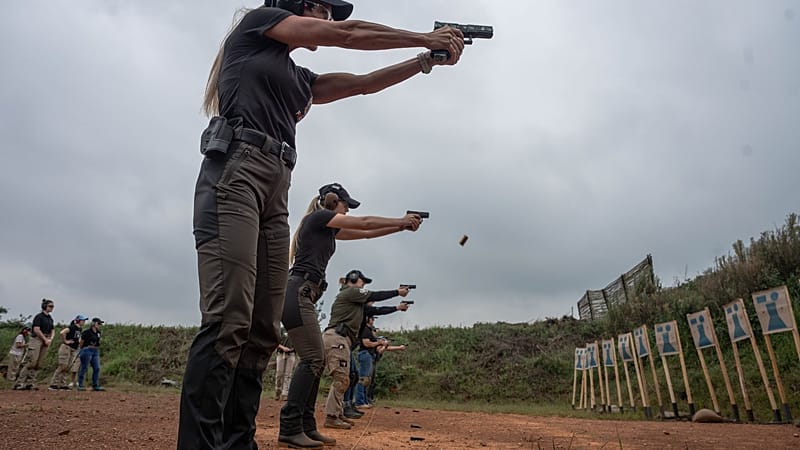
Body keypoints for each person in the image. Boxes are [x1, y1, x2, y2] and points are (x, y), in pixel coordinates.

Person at [178, 0, 462, 448]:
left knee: (263, 329)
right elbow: (350, 37)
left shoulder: (297, 78)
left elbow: (364, 84)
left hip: (277, 184)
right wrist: (424, 36)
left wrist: (424, 60)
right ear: (295, 5)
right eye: (323, 10)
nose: (330, 21)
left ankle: (238, 442)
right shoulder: (256, 27)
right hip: (236, 171)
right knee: (229, 318)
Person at [322, 271, 410, 429]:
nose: (364, 285)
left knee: (347, 378)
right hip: (337, 338)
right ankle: (331, 416)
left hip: (341, 340)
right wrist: (397, 292)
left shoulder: (355, 302)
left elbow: (376, 310)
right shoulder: (351, 291)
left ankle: (338, 412)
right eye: (363, 282)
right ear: (354, 279)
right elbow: (374, 295)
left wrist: (397, 307)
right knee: (341, 379)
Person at [14, 299, 55, 390]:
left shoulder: (50, 318)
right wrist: (44, 339)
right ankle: (19, 383)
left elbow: (53, 330)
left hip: (46, 340)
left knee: (38, 364)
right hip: (37, 339)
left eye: (52, 306)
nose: (52, 308)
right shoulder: (39, 317)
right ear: (44, 306)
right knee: (31, 361)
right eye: (50, 306)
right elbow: (36, 329)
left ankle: (30, 383)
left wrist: (50, 339)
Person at [50, 314, 88, 390]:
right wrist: (65, 341)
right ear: (78, 321)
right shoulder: (72, 327)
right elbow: (62, 332)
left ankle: (63, 383)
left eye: (84, 321)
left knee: (68, 366)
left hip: (73, 349)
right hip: (66, 348)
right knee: (63, 365)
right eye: (82, 320)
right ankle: (54, 383)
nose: (84, 322)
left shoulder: (80, 329)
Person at [77, 318, 105, 392]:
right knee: (84, 367)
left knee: (97, 368)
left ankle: (95, 385)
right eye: (98, 323)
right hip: (87, 349)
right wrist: (82, 349)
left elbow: (98, 341)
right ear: (94, 324)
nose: (100, 325)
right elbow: (81, 342)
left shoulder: (98, 332)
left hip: (95, 350)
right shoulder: (87, 332)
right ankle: (80, 384)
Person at [274, 327, 297, 401]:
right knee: (279, 374)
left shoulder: (295, 330)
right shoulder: (281, 329)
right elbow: (275, 342)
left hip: (291, 354)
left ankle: (285, 394)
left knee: (288, 374)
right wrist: (283, 348)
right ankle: (278, 391)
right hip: (281, 353)